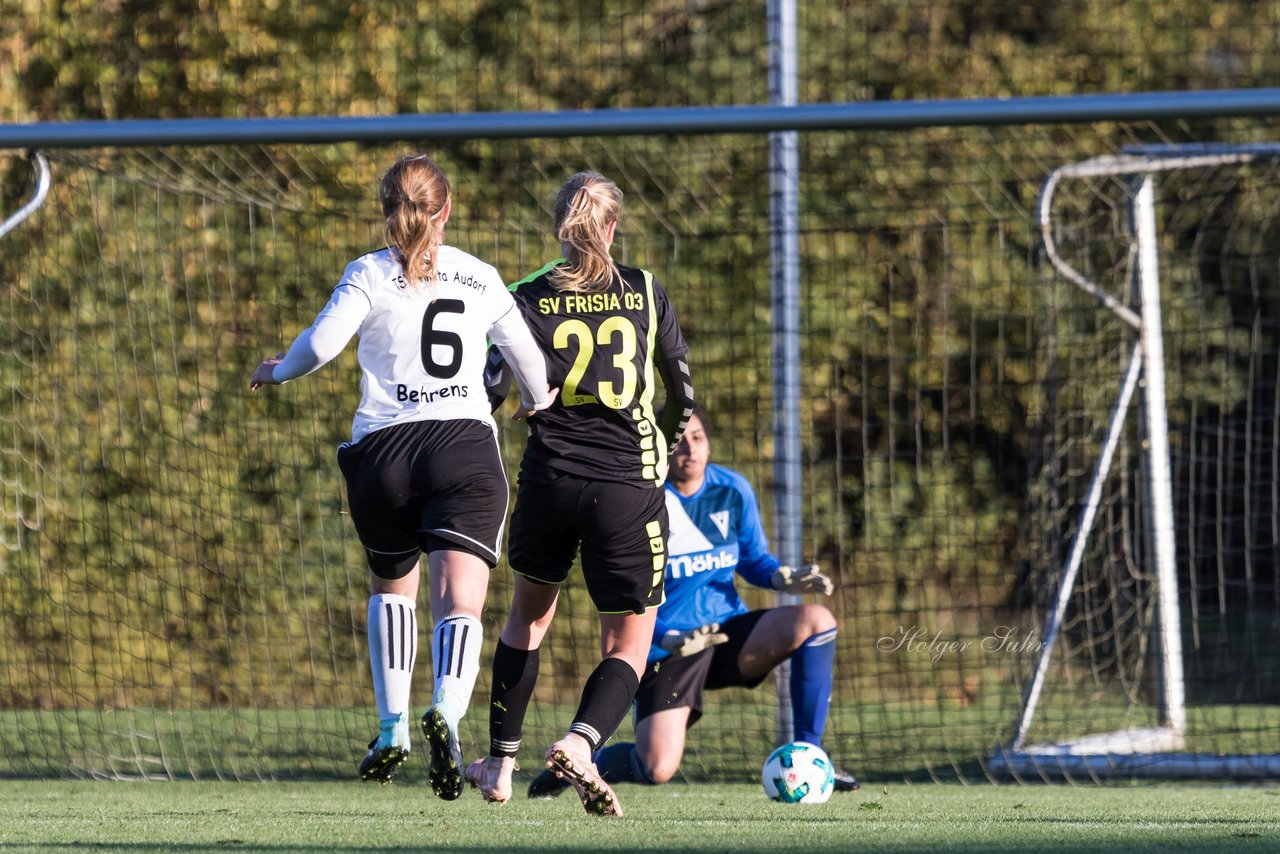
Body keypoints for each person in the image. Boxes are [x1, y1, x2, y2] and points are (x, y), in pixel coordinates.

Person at [249, 154, 553, 799]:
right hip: (463, 446)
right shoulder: (478, 274)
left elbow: (322, 346)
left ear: (387, 210)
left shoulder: (367, 272)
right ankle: (445, 709)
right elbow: (528, 358)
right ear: (445, 209)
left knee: (393, 589)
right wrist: (538, 400)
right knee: (460, 602)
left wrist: (276, 370)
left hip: (384, 453)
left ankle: (391, 727)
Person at [464, 171, 695, 817]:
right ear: (613, 226)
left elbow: (486, 395)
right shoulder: (645, 290)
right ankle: (580, 743)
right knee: (628, 642)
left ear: (557, 227)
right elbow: (682, 394)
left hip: (548, 481)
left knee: (527, 622)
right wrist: (660, 445)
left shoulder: (520, 297)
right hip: (628, 486)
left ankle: (500, 767)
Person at [525, 405, 860, 796]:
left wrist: (780, 576)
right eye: (678, 442)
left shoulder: (732, 489)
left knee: (816, 620)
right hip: (668, 651)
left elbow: (753, 560)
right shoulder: (639, 503)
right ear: (660, 449)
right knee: (656, 767)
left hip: (724, 640)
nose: (690, 450)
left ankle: (813, 758)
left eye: (698, 438)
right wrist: (666, 637)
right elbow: (627, 598)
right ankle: (581, 764)